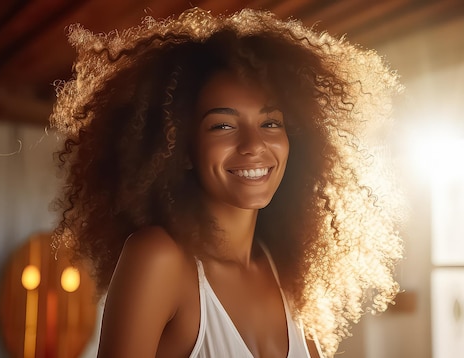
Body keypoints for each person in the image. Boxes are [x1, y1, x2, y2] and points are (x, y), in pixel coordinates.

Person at [50, 7, 404, 358]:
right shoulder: (159, 259)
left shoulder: (284, 274)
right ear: (182, 150)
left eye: (270, 123)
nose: (254, 145)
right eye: (223, 125)